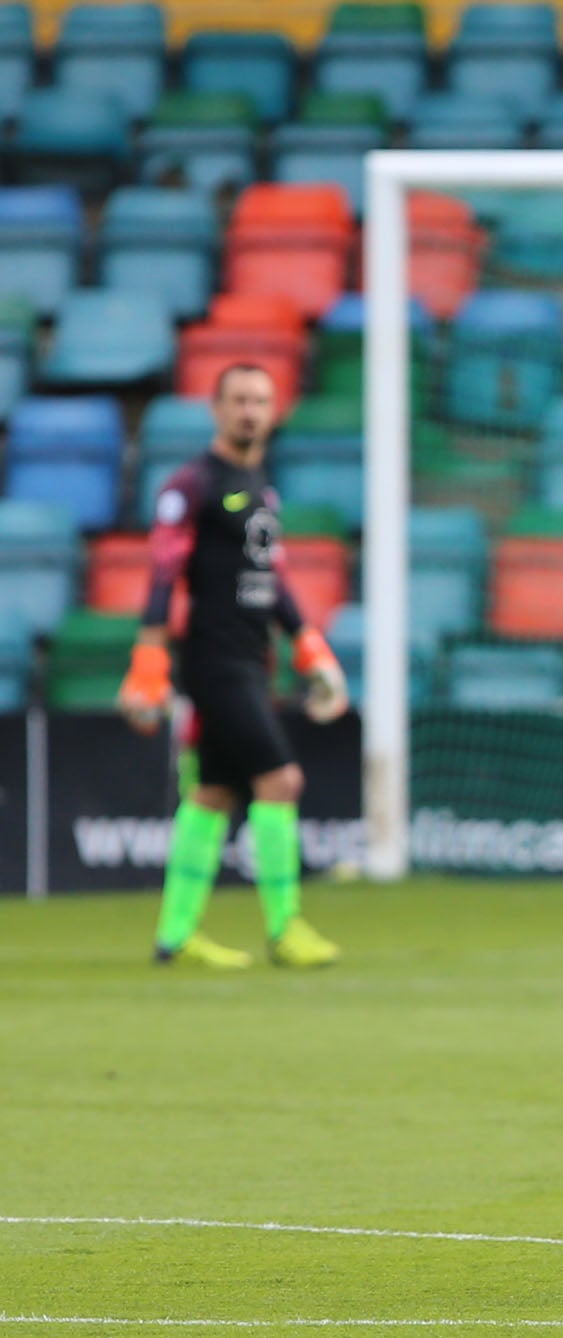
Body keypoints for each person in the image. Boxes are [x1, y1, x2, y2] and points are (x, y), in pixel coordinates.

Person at [117, 363, 349, 970]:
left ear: (274, 411)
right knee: (281, 781)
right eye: (239, 400)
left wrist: (309, 645)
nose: (250, 411)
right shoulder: (192, 484)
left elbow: (272, 579)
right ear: (216, 409)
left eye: (261, 401)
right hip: (215, 660)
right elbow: (164, 568)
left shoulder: (261, 486)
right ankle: (284, 929)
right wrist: (149, 654)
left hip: (251, 656)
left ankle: (176, 934)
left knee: (215, 794)